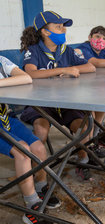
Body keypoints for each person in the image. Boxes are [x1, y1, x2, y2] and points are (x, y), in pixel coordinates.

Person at [19, 11, 96, 180]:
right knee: (40, 131)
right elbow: (30, 73)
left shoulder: (67, 51)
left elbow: (90, 67)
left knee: (83, 129)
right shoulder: (34, 50)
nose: (63, 30)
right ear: (45, 32)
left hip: (66, 102)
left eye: (63, 27)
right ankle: (37, 173)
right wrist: (62, 70)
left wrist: (73, 70)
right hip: (40, 103)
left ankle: (82, 160)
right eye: (58, 27)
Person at [0, 55, 60, 224]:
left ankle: (41, 188)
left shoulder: (1, 60)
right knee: (23, 151)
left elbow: (25, 78)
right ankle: (31, 205)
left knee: (38, 147)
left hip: (6, 117)